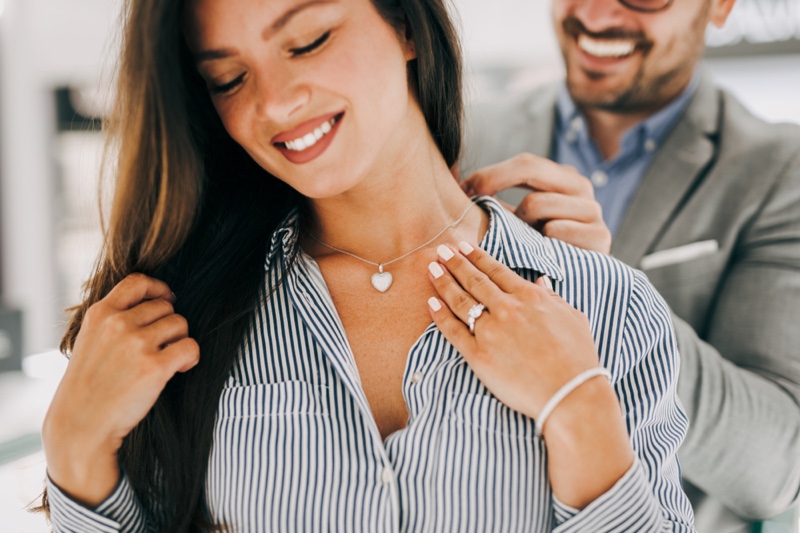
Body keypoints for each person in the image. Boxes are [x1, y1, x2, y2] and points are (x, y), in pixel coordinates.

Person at [39, 0, 695, 531]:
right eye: (229, 79)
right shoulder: (184, 316)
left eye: (308, 40)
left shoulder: (608, 306)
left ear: (405, 23)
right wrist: (73, 446)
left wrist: (578, 409)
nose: (274, 102)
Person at [460, 0, 800, 531]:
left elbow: (772, 467)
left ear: (722, 7)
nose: (595, 15)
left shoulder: (780, 172)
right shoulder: (462, 133)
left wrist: (606, 290)